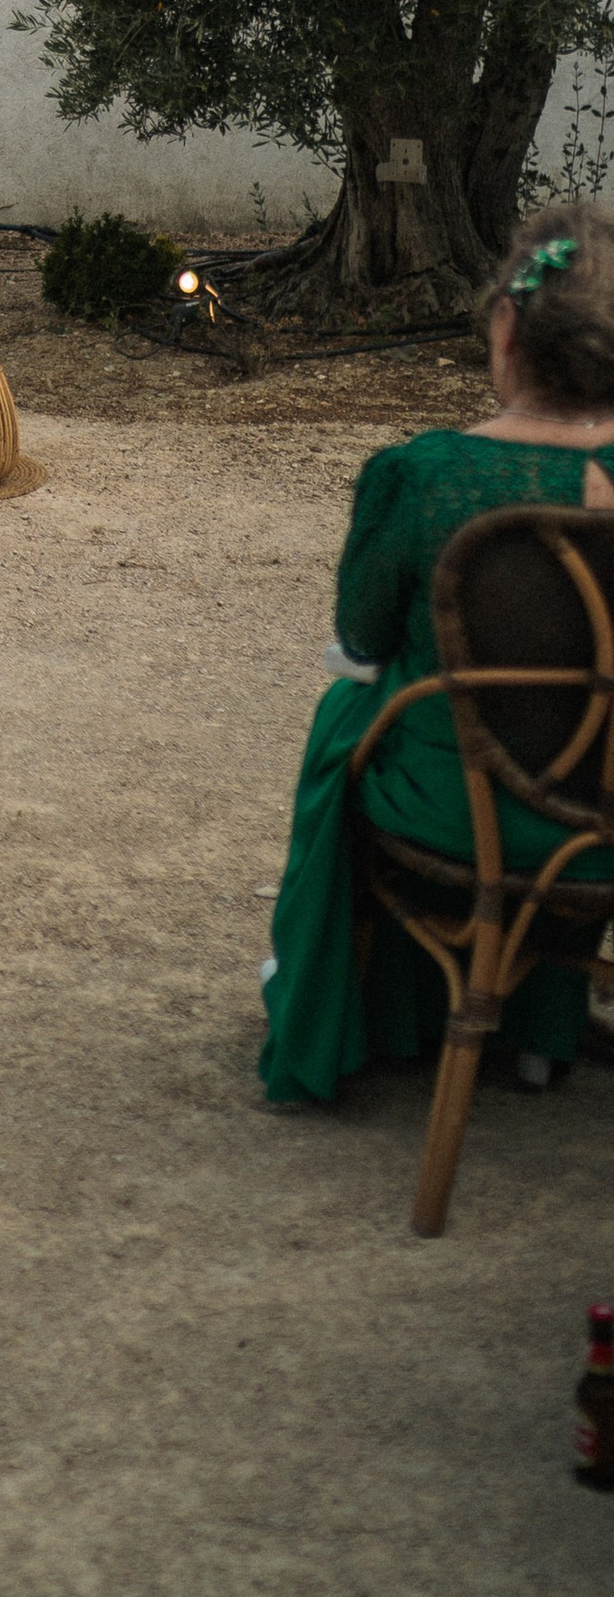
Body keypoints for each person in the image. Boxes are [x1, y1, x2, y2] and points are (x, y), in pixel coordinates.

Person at [259, 201, 614, 1107]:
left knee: (351, 712)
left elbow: (364, 640)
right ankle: (544, 1025)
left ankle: (355, 1007)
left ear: (505, 330)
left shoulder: (421, 476)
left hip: (465, 812)